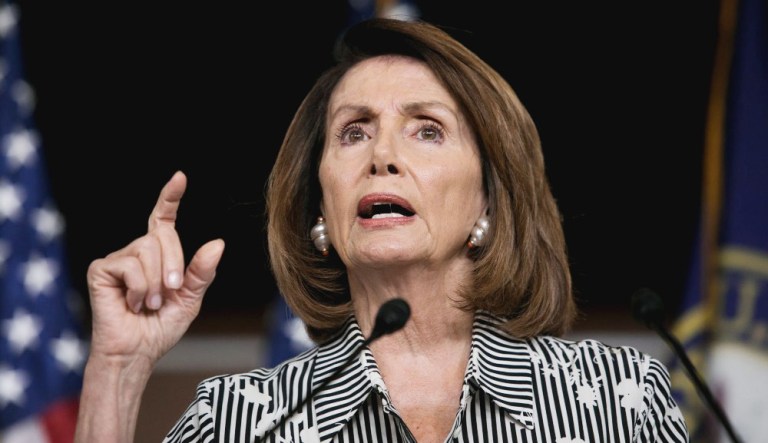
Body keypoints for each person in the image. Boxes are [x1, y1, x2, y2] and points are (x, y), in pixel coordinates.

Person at [74, 17, 689, 443]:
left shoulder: (617, 399)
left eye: (426, 129)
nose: (382, 156)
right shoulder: (242, 420)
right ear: (321, 209)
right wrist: (118, 369)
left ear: (492, 202)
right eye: (354, 131)